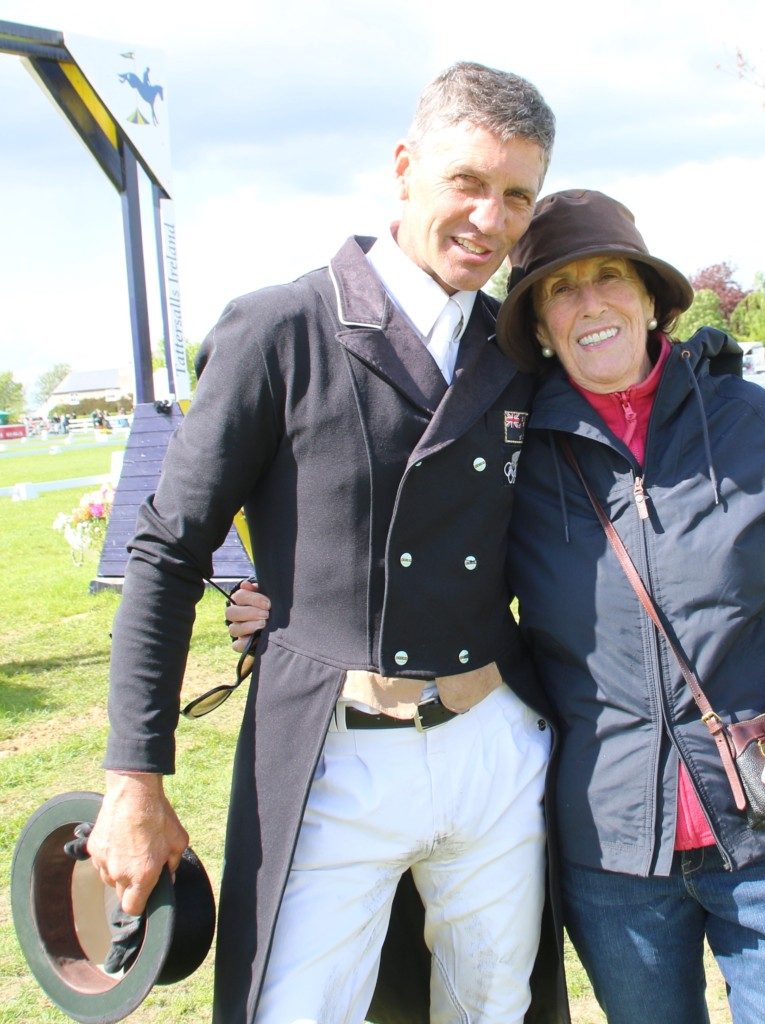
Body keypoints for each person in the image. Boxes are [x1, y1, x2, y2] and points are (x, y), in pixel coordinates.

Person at [87, 62, 566, 1024]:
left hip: (494, 755)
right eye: (467, 183)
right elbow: (168, 550)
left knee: (497, 1011)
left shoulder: (518, 349)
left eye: (518, 196)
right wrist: (133, 777)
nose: (491, 219)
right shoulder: (281, 328)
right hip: (335, 758)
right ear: (404, 167)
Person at [493, 189, 765, 1024]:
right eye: (561, 289)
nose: (591, 302)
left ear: (650, 298)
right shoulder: (512, 462)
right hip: (610, 855)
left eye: (610, 278)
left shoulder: (753, 422)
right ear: (537, 324)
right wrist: (287, 597)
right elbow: (441, 594)